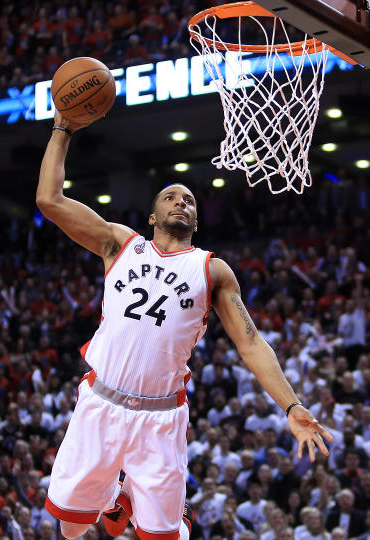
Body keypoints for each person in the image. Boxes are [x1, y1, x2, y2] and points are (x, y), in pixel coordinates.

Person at [37, 110, 332, 540]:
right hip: (100, 402)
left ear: (196, 218)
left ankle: (158, 507)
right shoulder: (120, 243)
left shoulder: (212, 270)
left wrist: (291, 405)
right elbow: (50, 201)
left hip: (160, 418)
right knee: (70, 529)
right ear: (152, 216)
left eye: (189, 199)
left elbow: (251, 344)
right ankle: (120, 494)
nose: (181, 201)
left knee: (162, 538)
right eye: (171, 197)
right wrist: (62, 130)